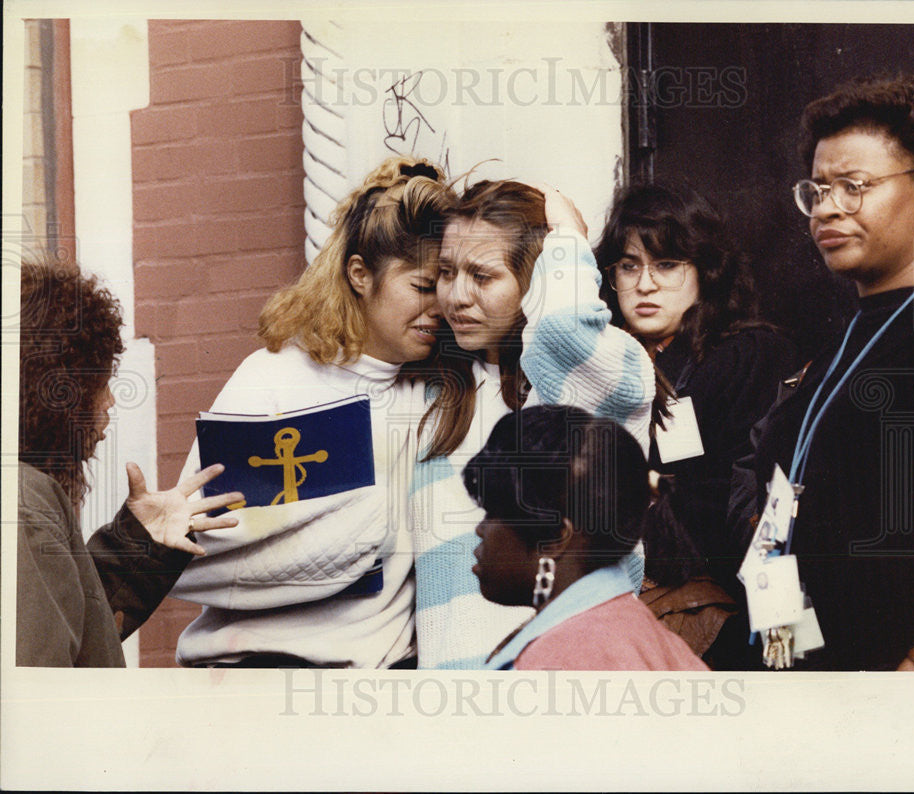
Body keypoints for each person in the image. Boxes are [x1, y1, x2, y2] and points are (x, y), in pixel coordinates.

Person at [168, 156, 456, 668]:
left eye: (445, 287)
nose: (439, 307)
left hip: (365, 688)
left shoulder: (433, 394)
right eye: (421, 287)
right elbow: (192, 549)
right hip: (246, 674)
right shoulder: (272, 375)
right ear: (360, 274)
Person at [733, 73, 914, 671]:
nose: (827, 208)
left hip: (898, 701)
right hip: (807, 666)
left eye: (854, 186)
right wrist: (782, 653)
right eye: (817, 190)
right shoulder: (850, 335)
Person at [411, 181, 655, 669]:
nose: (455, 297)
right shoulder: (435, 394)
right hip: (453, 698)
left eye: (482, 276)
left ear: (532, 276)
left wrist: (566, 237)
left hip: (565, 676)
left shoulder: (590, 382)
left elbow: (565, 334)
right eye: (446, 272)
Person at [594, 184, 797, 669]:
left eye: (666, 265)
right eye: (628, 265)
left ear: (704, 272)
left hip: (737, 608)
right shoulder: (606, 361)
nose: (644, 285)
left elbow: (732, 504)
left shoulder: (744, 355)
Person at [17, 261, 241, 667]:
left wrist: (141, 541)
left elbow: (72, 623)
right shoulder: (24, 505)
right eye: (99, 382)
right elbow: (43, 689)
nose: (109, 401)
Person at [464, 405, 708, 671]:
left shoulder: (554, 664)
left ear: (555, 538)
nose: (481, 529)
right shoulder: (652, 639)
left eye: (493, 512)